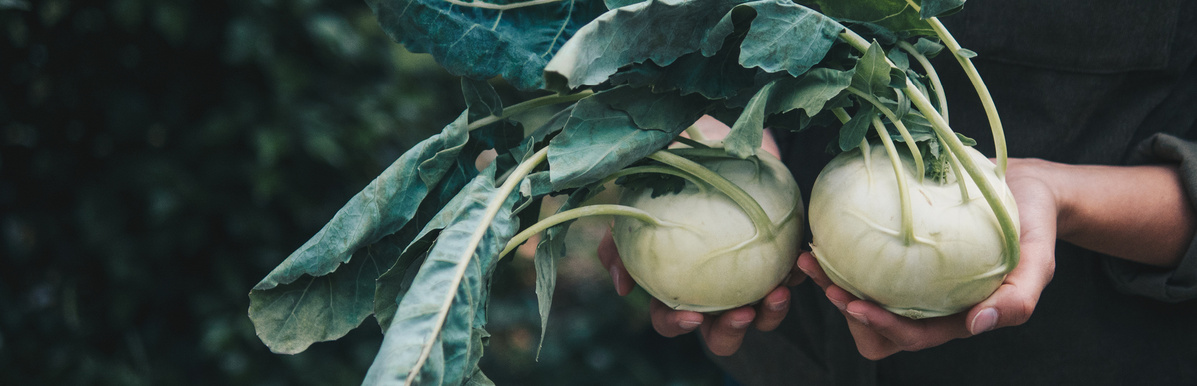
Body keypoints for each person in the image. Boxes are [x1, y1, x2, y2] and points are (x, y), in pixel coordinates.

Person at [598, 1, 1197, 384]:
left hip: (1087, 357)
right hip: (791, 355)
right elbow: (680, 31)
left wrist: (1061, 194)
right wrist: (701, 122)